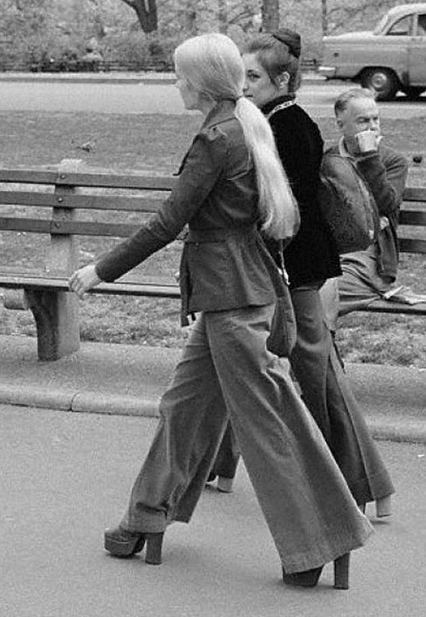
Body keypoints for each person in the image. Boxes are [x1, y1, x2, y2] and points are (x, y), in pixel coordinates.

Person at [69, 33, 372, 589]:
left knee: (273, 424)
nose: (175, 83)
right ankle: (145, 516)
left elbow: (169, 220)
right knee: (182, 408)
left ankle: (324, 539)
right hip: (231, 295)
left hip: (233, 299)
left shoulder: (218, 137)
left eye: (180, 75)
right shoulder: (243, 124)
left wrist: (101, 270)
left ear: (202, 82)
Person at [208, 30, 395, 518]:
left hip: (295, 271)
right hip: (281, 269)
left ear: (282, 80)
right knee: (249, 367)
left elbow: (283, 210)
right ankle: (218, 465)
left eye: (253, 76)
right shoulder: (272, 120)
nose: (244, 85)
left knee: (313, 378)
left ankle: (348, 487)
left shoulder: (288, 125)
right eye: (242, 75)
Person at [320, 87, 408, 328]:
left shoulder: (392, 161)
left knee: (318, 296)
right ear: (341, 125)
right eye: (363, 121)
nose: (372, 126)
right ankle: (320, 348)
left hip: (369, 260)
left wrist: (369, 157)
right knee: (300, 291)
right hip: (331, 253)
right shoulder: (328, 160)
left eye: (375, 119)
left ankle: (320, 349)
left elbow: (387, 204)